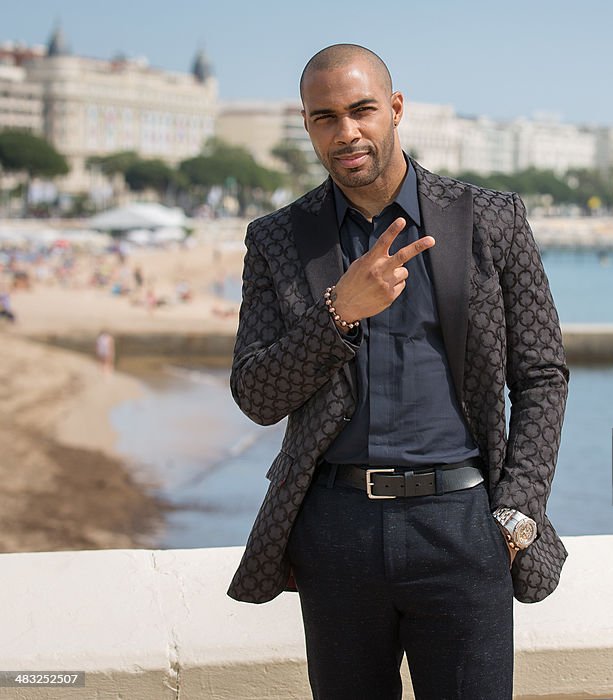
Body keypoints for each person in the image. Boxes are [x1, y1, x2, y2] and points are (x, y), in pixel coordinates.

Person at [227, 44, 569, 700]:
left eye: (361, 111)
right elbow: (256, 395)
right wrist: (338, 316)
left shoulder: (491, 221)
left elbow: (542, 375)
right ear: (307, 125)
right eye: (325, 117)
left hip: (465, 526)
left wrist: (517, 510)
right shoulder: (276, 238)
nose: (346, 131)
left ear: (396, 109)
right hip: (334, 531)